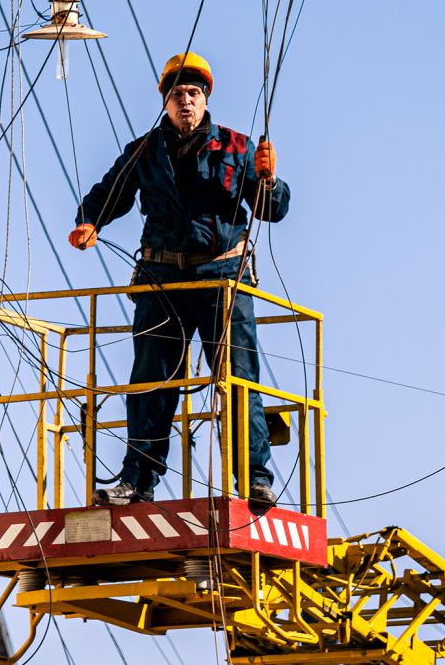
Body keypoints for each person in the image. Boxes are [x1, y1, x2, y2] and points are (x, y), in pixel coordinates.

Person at [68, 52, 291, 506]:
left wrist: (269, 180)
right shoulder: (145, 151)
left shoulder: (237, 148)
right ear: (165, 102)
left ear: (206, 99)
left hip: (222, 278)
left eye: (193, 93)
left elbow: (274, 210)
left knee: (238, 379)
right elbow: (109, 194)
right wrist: (90, 221)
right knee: (150, 379)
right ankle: (138, 482)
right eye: (176, 95)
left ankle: (255, 478)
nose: (185, 101)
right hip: (162, 278)